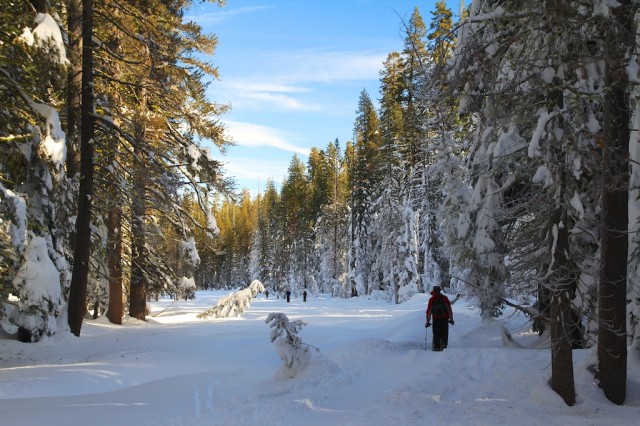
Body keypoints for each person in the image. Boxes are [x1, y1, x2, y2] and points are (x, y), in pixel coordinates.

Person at [425, 286, 454, 351]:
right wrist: (451, 319)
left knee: (436, 333)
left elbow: (429, 311)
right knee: (444, 333)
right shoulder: (445, 298)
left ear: (434, 291)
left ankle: (436, 347)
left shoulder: (432, 299)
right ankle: (444, 346)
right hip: (445, 319)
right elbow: (449, 309)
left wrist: (427, 322)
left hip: (436, 319)